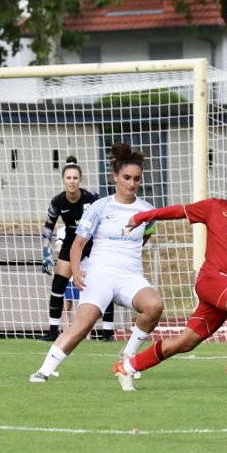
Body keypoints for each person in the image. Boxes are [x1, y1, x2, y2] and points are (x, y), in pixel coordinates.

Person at [112, 165, 227, 391]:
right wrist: (144, 216)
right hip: (211, 279)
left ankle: (128, 366)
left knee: (185, 342)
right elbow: (178, 211)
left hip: (226, 291)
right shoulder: (215, 207)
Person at [30, 143, 164, 383]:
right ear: (115, 177)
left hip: (130, 276)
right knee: (83, 325)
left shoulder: (147, 211)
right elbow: (78, 243)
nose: (131, 183)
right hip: (100, 274)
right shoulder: (99, 207)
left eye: (136, 179)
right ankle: (44, 370)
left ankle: (128, 356)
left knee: (154, 305)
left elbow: (145, 236)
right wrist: (78, 269)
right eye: (126, 178)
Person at [39, 157, 116, 342]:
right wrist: (45, 254)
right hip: (71, 244)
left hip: (91, 244)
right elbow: (48, 227)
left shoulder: (92, 198)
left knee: (103, 284)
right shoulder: (57, 201)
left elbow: (107, 218)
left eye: (75, 178)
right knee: (58, 285)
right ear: (63, 180)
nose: (71, 181)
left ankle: (107, 332)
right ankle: (52, 331)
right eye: (68, 178)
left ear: (79, 180)